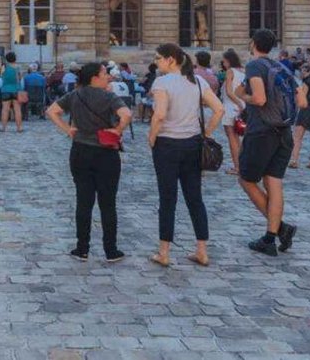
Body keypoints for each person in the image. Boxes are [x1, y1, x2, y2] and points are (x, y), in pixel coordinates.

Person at [146, 43, 224, 267]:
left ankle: (164, 252)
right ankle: (202, 250)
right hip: (193, 144)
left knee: (167, 198)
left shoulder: (162, 82)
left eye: (158, 58)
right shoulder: (197, 81)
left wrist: (151, 137)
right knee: (195, 198)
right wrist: (206, 133)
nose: (156, 61)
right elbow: (219, 109)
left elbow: (159, 114)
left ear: (170, 59)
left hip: (167, 144)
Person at [48, 61, 131, 263]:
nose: (108, 76)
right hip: (106, 153)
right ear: (94, 77)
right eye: (105, 74)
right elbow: (126, 114)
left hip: (80, 151)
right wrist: (118, 130)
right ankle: (111, 250)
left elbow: (52, 111)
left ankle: (82, 248)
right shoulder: (109, 96)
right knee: (108, 203)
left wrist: (68, 130)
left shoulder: (75, 95)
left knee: (83, 202)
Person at [238, 29, 303, 257]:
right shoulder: (283, 67)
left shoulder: (255, 66)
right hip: (284, 132)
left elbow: (259, 98)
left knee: (246, 180)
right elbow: (301, 99)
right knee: (274, 184)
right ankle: (271, 235)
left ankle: (278, 230)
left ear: (253, 43)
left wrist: (241, 95)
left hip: (262, 131)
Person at [0, 52, 24, 133]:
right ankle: (19, 127)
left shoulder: (4, 66)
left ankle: (3, 127)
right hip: (16, 89)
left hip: (6, 89)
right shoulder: (18, 67)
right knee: (17, 110)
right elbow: (20, 78)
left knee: (5, 109)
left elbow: (1, 76)